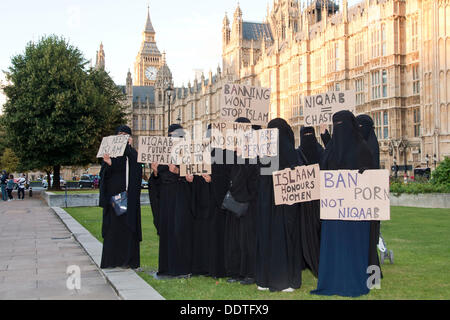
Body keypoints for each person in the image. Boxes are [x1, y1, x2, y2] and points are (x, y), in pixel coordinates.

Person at [311, 110, 375, 297]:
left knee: (339, 247)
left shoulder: (333, 151)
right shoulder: (362, 148)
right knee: (349, 246)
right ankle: (350, 280)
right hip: (344, 209)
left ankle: (336, 280)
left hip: (342, 211)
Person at [256, 118, 304, 292]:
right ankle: (284, 279)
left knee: (268, 235)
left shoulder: (265, 151)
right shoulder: (289, 150)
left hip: (268, 203)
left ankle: (265, 279)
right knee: (283, 237)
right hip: (283, 204)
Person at [149, 124, 193, 278]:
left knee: (179, 230)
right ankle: (166, 268)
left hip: (181, 196)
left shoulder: (188, 153)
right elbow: (154, 182)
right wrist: (155, 172)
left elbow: (192, 177)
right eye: (172, 135)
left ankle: (181, 268)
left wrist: (179, 172)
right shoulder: (160, 154)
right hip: (166, 199)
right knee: (167, 230)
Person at [99, 125, 143, 269]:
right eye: (121, 134)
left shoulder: (133, 154)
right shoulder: (110, 154)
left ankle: (128, 260)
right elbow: (104, 176)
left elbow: (137, 170)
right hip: (116, 198)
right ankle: (113, 260)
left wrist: (128, 148)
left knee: (128, 228)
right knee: (114, 229)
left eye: (126, 135)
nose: (123, 137)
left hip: (129, 198)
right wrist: (110, 164)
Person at [223, 117, 259, 285]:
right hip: (235, 204)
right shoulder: (234, 152)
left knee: (248, 240)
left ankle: (250, 273)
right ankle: (236, 272)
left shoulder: (255, 152)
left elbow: (253, 178)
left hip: (249, 205)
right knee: (235, 241)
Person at [356, 114, 383, 278]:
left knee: (369, 236)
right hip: (365, 198)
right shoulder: (370, 145)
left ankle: (372, 273)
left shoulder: (368, 147)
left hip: (368, 198)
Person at [296, 126, 323, 278]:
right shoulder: (297, 153)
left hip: (318, 199)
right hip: (303, 199)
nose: (307, 137)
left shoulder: (321, 152)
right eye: (305, 135)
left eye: (310, 134)